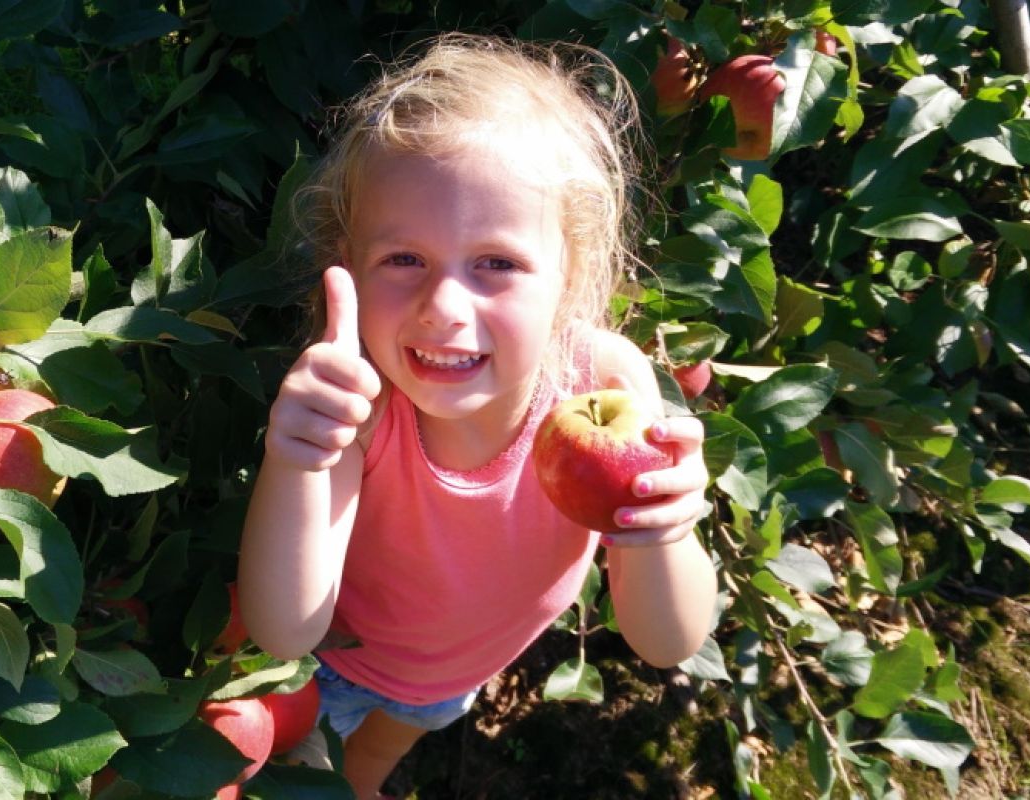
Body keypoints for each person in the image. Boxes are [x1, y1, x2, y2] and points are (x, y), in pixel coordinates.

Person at [238, 33, 718, 798]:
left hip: (451, 679)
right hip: (324, 667)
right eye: (403, 261)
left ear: (570, 278)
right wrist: (296, 459)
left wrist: (665, 527)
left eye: (496, 263)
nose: (443, 308)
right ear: (350, 265)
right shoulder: (357, 404)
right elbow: (283, 628)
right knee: (305, 771)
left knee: (378, 755)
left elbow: (667, 640)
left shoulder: (606, 383)